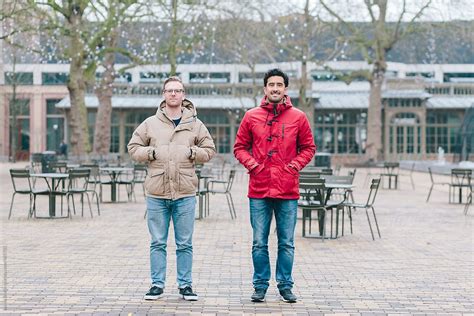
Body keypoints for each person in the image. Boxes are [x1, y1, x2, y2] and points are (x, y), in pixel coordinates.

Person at [127, 76, 216, 301]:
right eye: (169, 91)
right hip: (157, 192)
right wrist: (151, 153)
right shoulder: (150, 123)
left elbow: (210, 150)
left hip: (185, 192)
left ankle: (185, 285)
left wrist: (194, 153)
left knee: (184, 243)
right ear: (164, 94)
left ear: (184, 94)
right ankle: (157, 284)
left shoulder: (195, 124)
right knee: (157, 242)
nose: (174, 94)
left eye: (178, 90)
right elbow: (133, 147)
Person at [233, 68, 316, 303]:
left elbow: (309, 148)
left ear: (285, 89)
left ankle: (285, 285)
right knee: (259, 241)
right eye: (272, 84)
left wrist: (292, 167)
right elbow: (239, 147)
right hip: (259, 189)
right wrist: (255, 166)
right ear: (265, 88)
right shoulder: (251, 116)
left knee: (286, 242)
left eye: (280, 85)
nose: (275, 88)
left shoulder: (298, 117)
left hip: (288, 189)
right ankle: (260, 285)